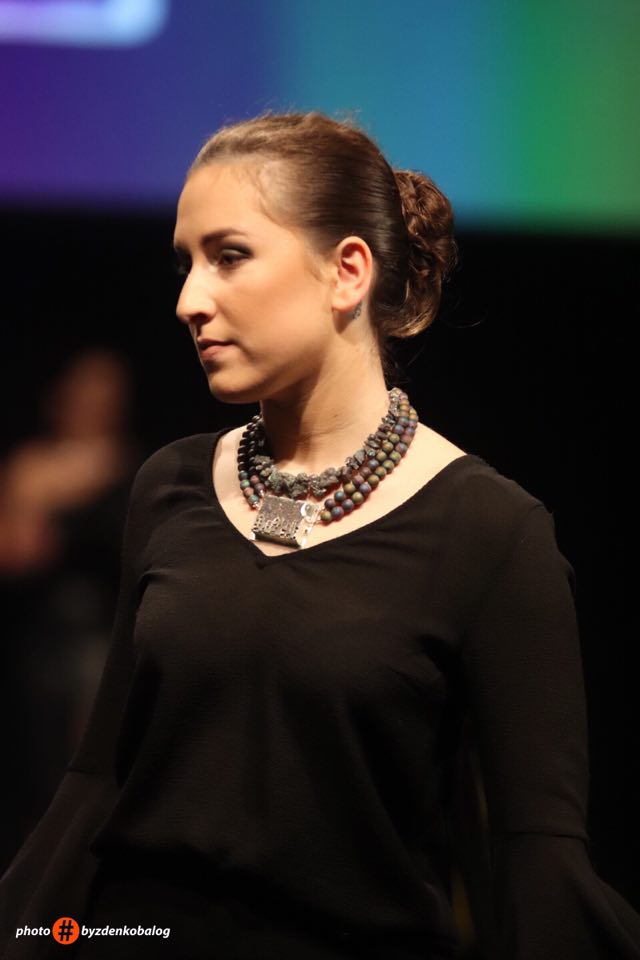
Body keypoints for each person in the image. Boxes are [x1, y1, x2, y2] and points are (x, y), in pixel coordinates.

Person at [1, 110, 639, 960]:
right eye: (186, 264)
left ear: (347, 272)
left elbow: (536, 864)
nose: (189, 301)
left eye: (230, 256)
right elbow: (94, 787)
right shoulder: (171, 486)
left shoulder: (491, 533)